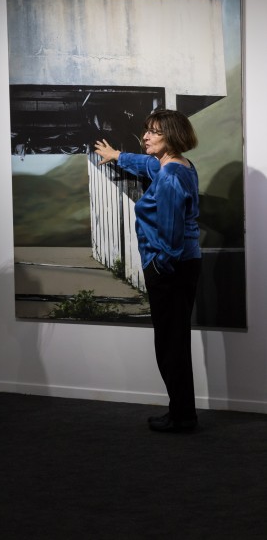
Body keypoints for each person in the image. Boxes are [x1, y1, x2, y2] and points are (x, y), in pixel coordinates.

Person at [94, 109, 201, 433]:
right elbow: (148, 164)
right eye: (147, 131)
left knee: (169, 345)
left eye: (154, 132)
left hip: (171, 268)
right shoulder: (178, 166)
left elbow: (170, 235)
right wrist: (117, 156)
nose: (146, 136)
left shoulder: (169, 177)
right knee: (175, 342)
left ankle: (181, 416)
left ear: (172, 136)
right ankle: (183, 412)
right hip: (184, 266)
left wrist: (157, 267)